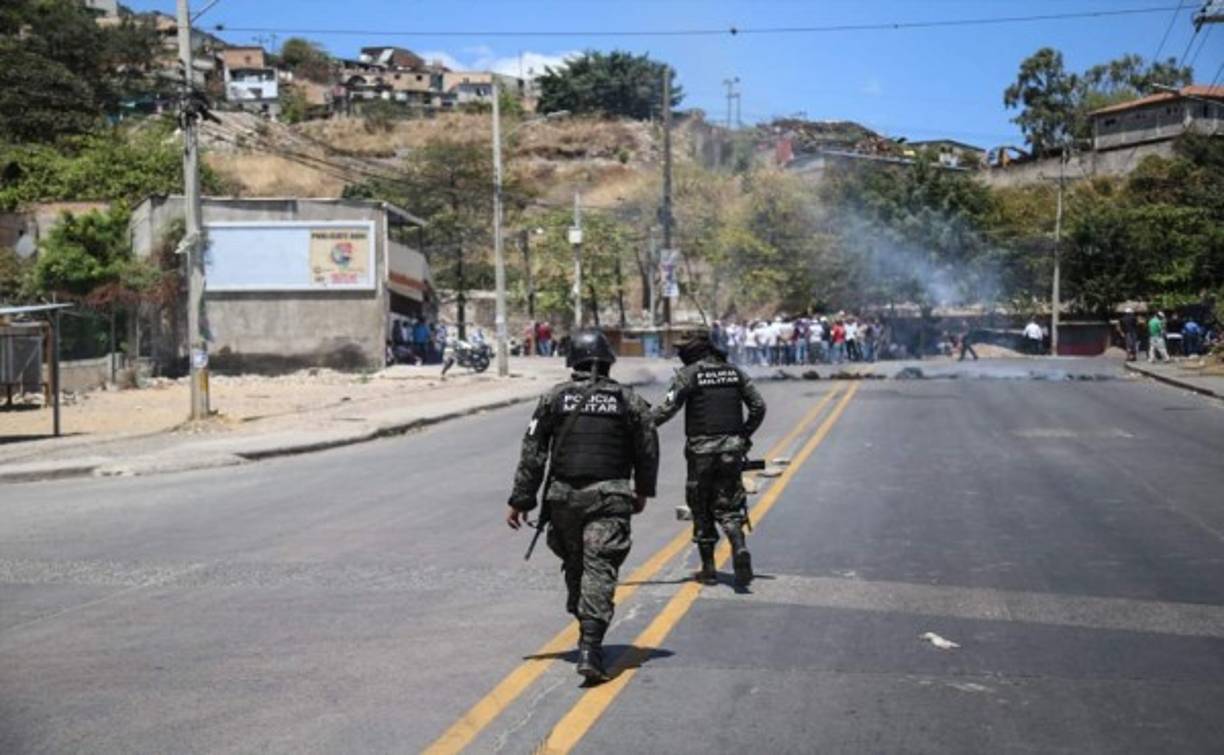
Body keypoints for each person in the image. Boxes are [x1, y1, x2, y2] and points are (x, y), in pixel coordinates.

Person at [505, 330, 658, 683]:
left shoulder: (554, 398)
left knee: (578, 565)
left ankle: (587, 634)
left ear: (572, 361)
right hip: (610, 498)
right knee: (598, 567)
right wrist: (643, 491)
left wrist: (520, 500)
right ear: (607, 362)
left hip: (563, 500)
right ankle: (591, 646)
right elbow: (647, 449)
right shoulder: (628, 400)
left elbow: (532, 452)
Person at [653, 333, 767, 587]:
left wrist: (639, 425)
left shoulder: (688, 375)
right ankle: (738, 547)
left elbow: (667, 409)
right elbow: (759, 406)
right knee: (729, 503)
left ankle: (709, 569)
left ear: (694, 351)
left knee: (701, 506)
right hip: (731, 451)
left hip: (701, 453)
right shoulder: (734, 373)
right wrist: (743, 436)